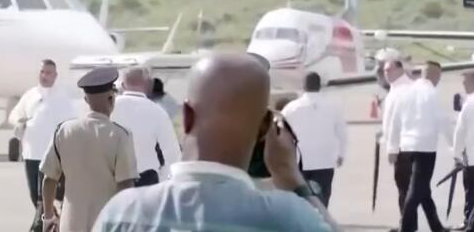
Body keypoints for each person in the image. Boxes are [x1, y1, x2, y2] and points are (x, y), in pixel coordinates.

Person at [91, 53, 340, 232]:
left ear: (187, 117)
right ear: (264, 128)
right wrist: (293, 179)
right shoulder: (288, 218)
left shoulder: (124, 212)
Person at [40, 67, 138, 232]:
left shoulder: (64, 130)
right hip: (106, 224)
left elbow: (49, 179)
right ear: (111, 99)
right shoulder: (120, 135)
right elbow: (126, 185)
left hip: (70, 224)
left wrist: (48, 217)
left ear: (86, 99)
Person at [383, 59, 450, 232]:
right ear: (435, 75)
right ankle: (406, 227)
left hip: (406, 147)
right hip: (425, 148)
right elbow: (442, 121)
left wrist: (392, 147)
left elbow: (394, 121)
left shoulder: (404, 92)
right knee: (416, 190)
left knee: (422, 188)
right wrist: (454, 146)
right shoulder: (432, 93)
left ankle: (436, 226)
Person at [8, 59, 77, 211]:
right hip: (31, 154)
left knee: (51, 195)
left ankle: (50, 220)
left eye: (48, 73)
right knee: (35, 195)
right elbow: (14, 115)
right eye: (42, 72)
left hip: (52, 155)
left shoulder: (62, 98)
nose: (44, 76)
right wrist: (18, 122)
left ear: (55, 75)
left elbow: (72, 123)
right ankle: (46, 219)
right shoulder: (30, 95)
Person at [280, 72, 348, 207]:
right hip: (325, 161)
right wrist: (341, 154)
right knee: (322, 200)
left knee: (301, 200)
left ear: (303, 86)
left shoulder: (291, 108)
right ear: (320, 86)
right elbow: (342, 132)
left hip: (299, 161)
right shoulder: (333, 106)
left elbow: (280, 131)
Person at [111, 66, 180, 186]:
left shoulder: (109, 108)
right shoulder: (158, 111)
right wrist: (163, 180)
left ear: (122, 85)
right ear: (148, 85)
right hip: (147, 182)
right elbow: (172, 154)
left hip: (114, 180)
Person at [452, 70, 474, 231]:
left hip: (470, 157)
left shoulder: (469, 104)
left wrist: (456, 154)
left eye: (465, 82)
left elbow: (459, 131)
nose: (463, 85)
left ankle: (469, 223)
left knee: (470, 191)